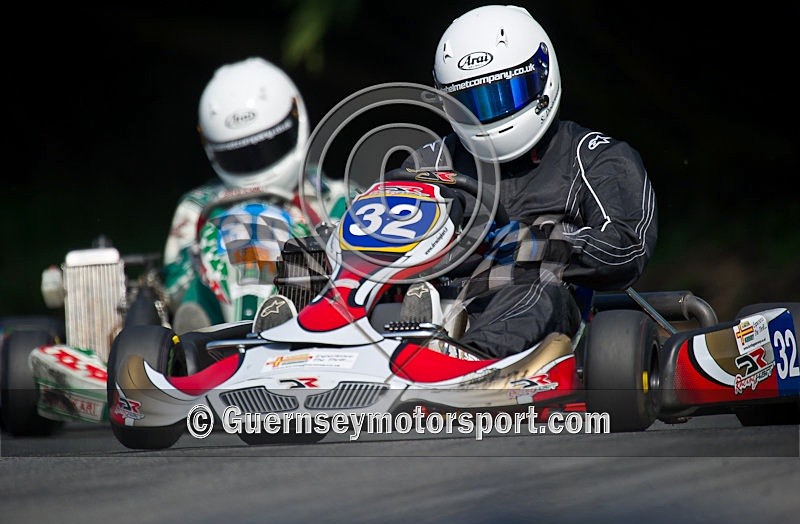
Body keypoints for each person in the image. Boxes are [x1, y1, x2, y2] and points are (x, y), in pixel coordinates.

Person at [400, 5, 658, 358]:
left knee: (534, 288)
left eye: (504, 94)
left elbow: (627, 246)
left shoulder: (594, 156)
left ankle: (468, 364)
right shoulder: (428, 162)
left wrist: (535, 244)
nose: (489, 113)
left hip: (543, 312)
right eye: (470, 102)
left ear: (541, 76)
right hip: (433, 302)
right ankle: (319, 353)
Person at [163, 57, 347, 334]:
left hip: (318, 320)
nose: (257, 165)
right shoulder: (199, 206)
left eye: (268, 147)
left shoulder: (337, 198)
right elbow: (172, 280)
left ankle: (286, 317)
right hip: (214, 332)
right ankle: (208, 333)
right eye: (240, 156)